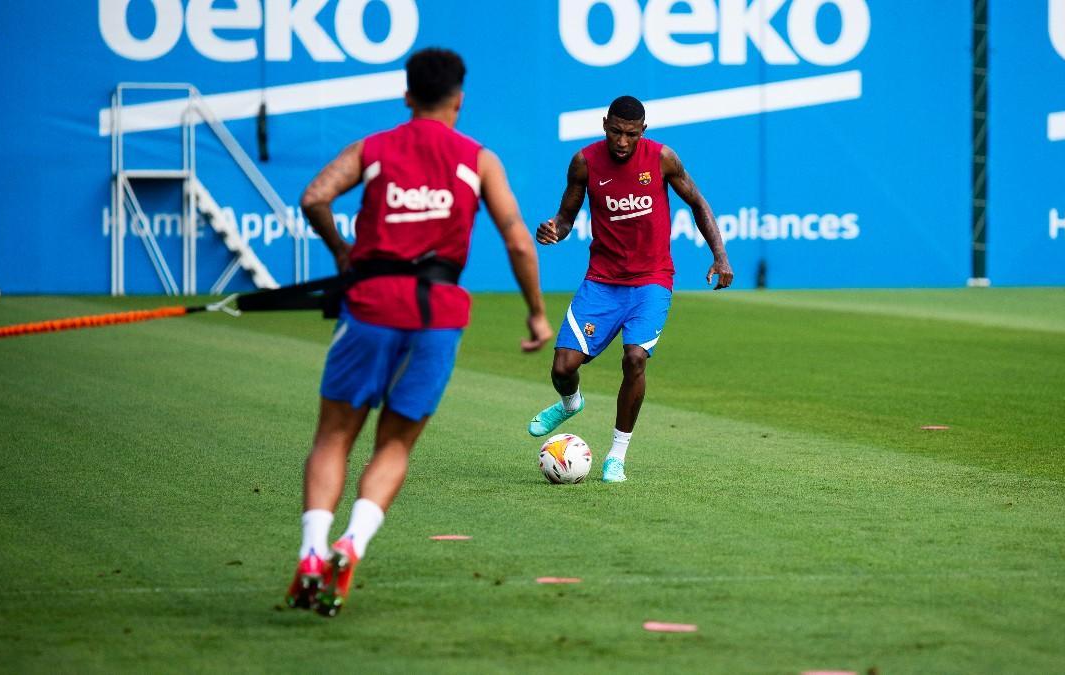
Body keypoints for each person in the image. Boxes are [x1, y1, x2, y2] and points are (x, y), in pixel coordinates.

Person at [286, 47, 553, 617]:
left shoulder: (373, 148)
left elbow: (314, 197)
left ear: (408, 95)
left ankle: (312, 551)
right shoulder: (478, 160)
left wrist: (342, 253)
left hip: (371, 305)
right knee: (395, 445)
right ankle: (351, 543)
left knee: (334, 437)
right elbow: (517, 240)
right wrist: (535, 312)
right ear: (459, 98)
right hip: (436, 315)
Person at [529, 95, 733, 483]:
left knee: (635, 358)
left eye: (631, 134)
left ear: (644, 130)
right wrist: (554, 229)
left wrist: (720, 256)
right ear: (604, 123)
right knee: (562, 367)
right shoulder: (584, 163)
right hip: (603, 281)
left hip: (651, 281)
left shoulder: (662, 159)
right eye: (615, 132)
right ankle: (571, 404)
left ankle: (616, 457)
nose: (622, 142)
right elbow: (567, 217)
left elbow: (698, 202)